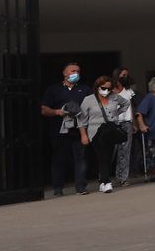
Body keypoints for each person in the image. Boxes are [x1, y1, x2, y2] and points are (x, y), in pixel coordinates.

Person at [40, 62, 88, 197]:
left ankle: (80, 187)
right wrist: (57, 112)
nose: (76, 74)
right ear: (65, 73)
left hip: (79, 130)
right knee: (58, 159)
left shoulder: (84, 89)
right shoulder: (53, 90)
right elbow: (44, 109)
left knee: (81, 158)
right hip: (59, 131)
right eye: (73, 71)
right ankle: (57, 188)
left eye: (78, 71)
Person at [77, 75, 128, 193]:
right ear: (97, 87)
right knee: (102, 155)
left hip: (110, 130)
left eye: (109, 89)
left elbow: (126, 103)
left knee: (108, 156)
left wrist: (117, 114)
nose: (106, 91)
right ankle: (106, 181)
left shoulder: (115, 97)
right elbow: (81, 119)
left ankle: (103, 179)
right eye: (104, 88)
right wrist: (83, 135)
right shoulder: (88, 100)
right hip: (95, 131)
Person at [112, 73, 138, 187]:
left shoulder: (128, 91)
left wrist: (134, 123)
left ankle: (122, 177)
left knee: (125, 151)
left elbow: (131, 107)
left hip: (126, 122)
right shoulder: (109, 92)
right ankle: (107, 177)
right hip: (114, 123)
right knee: (113, 151)